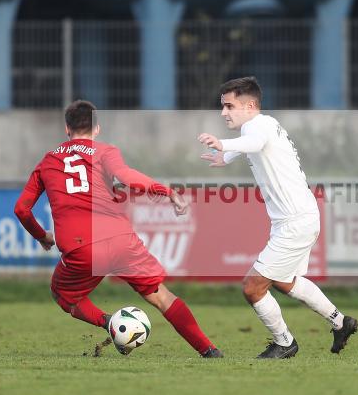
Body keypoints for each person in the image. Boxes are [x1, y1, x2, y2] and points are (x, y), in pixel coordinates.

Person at [14, 100, 222, 358]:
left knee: (63, 294)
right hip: (121, 239)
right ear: (96, 129)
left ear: (67, 129)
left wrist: (42, 236)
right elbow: (127, 177)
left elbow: (21, 209)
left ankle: (111, 323)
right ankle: (209, 349)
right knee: (161, 296)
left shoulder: (48, 161)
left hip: (82, 247)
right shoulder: (105, 151)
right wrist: (167, 192)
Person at [198, 76, 358, 359]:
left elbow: (254, 142)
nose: (223, 113)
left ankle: (284, 343)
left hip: (296, 221)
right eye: (222, 106)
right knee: (285, 281)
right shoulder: (262, 125)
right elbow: (252, 145)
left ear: (249, 106)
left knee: (253, 287)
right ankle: (340, 322)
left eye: (229, 106)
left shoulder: (258, 126)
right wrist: (227, 156)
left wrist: (222, 144)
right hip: (296, 218)